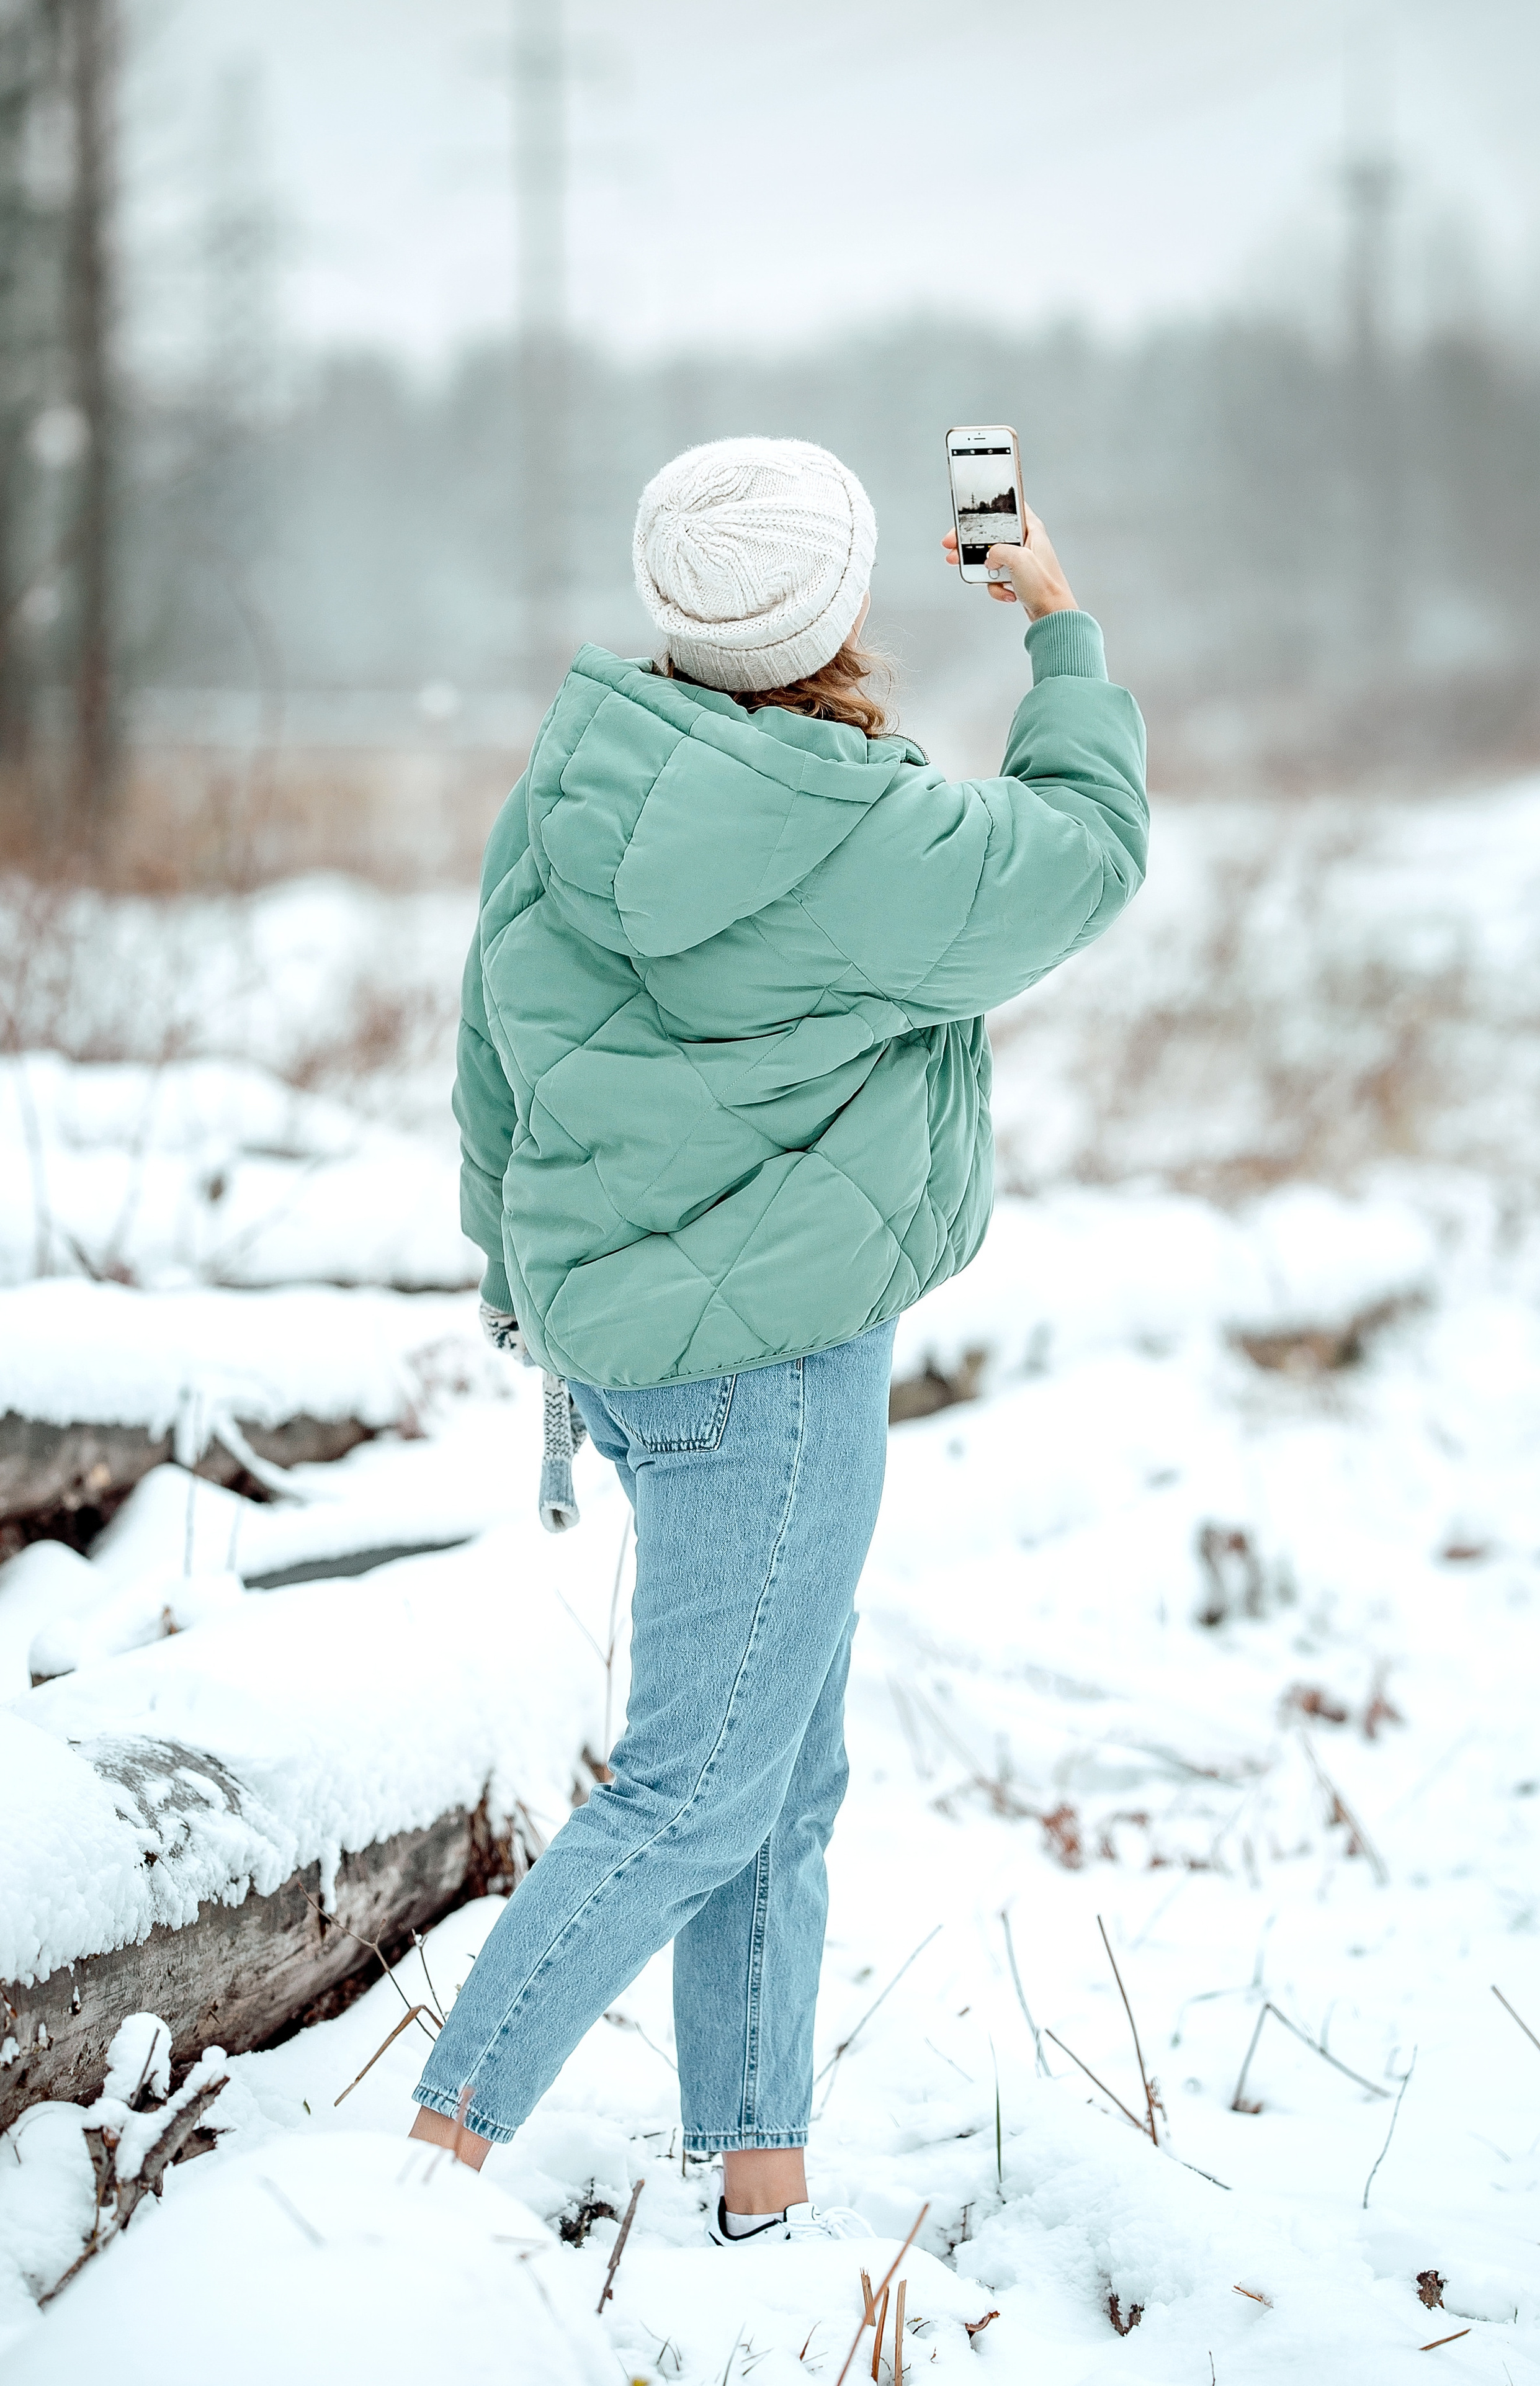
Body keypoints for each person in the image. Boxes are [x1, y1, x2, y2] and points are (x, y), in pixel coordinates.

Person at [408, 436, 1148, 2243]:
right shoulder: (859, 829)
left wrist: (519, 1276)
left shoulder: (581, 773)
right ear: (839, 607)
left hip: (633, 1354)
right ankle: (425, 2173)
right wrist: (1056, 624)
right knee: (695, 1792)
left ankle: (760, 2177)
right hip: (777, 1371)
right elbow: (1084, 857)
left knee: (774, 1779)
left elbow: (494, 1044)